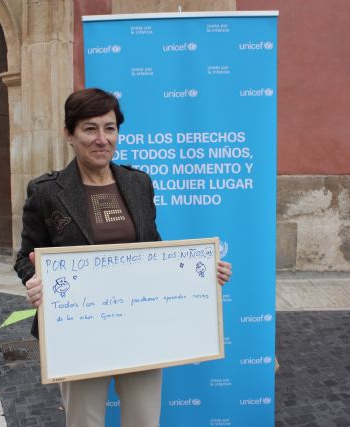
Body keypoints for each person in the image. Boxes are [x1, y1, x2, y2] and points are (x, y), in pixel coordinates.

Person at [14, 88, 232, 427]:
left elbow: (155, 251)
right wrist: (34, 280)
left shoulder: (138, 183)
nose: (102, 139)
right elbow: (25, 257)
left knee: (144, 420)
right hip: (77, 333)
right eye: (90, 128)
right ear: (68, 135)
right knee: (85, 421)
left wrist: (200, 274)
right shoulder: (46, 193)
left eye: (110, 127)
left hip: (142, 330)